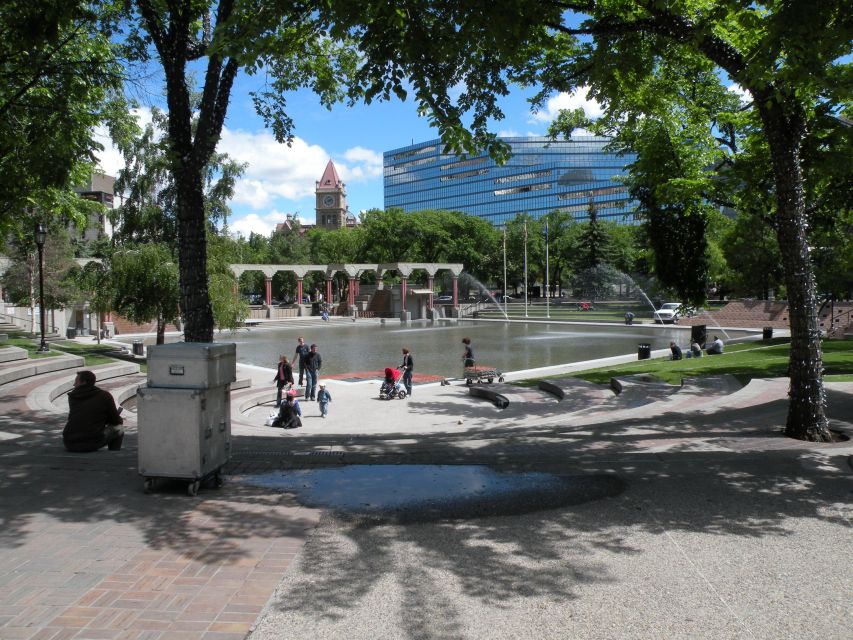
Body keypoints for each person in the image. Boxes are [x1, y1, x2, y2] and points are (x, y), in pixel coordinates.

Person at [63, 370, 124, 452]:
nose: (74, 384)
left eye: (76, 382)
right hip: (90, 442)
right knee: (119, 429)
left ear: (83, 382)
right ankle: (114, 455)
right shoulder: (105, 396)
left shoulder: (73, 397)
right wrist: (117, 418)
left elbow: (85, 416)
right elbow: (115, 420)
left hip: (69, 442)